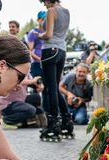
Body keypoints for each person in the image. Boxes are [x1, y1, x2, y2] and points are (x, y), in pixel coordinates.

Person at [37, 0, 71, 141]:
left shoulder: (52, 11)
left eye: (44, 1)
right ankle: (66, 121)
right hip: (61, 50)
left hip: (50, 50)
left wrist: (38, 35)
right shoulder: (66, 11)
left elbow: (48, 34)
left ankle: (53, 124)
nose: (44, 4)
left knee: (50, 88)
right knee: (55, 88)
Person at [27, 11, 46, 78]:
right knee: (38, 86)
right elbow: (29, 50)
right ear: (38, 20)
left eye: (46, 19)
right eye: (42, 19)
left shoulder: (48, 32)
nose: (44, 21)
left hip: (47, 63)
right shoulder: (33, 32)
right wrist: (40, 59)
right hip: (37, 64)